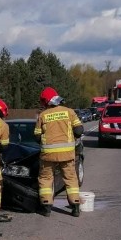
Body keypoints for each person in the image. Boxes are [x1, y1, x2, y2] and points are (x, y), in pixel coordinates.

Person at [33, 87, 84, 217]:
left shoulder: (43, 115)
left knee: (45, 179)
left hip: (48, 154)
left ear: (45, 102)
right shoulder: (69, 112)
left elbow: (37, 137)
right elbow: (79, 131)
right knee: (71, 179)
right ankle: (75, 207)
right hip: (67, 154)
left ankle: (46, 208)